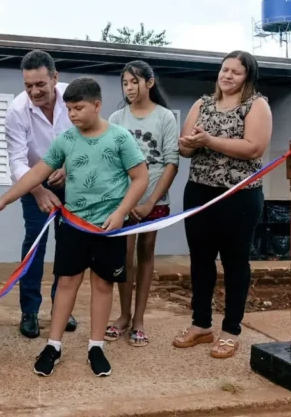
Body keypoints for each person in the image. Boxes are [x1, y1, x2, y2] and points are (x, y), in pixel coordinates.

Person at [0, 77, 148, 378]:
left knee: (102, 284)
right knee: (66, 282)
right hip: (73, 224)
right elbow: (36, 174)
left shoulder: (121, 138)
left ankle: (96, 346)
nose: (72, 115)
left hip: (108, 227)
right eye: (68, 109)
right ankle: (53, 345)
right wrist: (3, 200)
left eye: (79, 108)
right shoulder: (66, 140)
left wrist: (122, 212)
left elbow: (140, 178)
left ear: (97, 105)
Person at [174, 50, 271, 359]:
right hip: (199, 193)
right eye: (224, 69)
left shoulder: (257, 105)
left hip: (238, 197)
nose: (227, 75)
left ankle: (231, 330)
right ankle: (201, 324)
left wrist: (208, 141)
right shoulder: (201, 104)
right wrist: (187, 144)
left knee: (234, 263)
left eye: (236, 72)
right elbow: (185, 146)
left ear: (248, 77)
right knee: (200, 260)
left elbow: (254, 148)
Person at [105, 61, 180, 347]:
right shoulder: (115, 118)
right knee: (124, 257)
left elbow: (171, 162)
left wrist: (151, 200)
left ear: (149, 83)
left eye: (134, 82)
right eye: (124, 83)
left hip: (154, 201)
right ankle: (122, 316)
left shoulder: (165, 118)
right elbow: (111, 163)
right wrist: (124, 203)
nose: (129, 88)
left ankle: (139, 319)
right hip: (124, 204)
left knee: (146, 254)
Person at [5, 50, 77, 338]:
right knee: (35, 246)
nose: (34, 91)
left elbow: (89, 138)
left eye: (40, 85)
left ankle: (62, 307)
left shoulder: (74, 97)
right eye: (28, 86)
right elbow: (16, 160)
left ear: (55, 78)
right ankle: (29, 311)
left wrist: (70, 171)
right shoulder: (16, 110)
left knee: (69, 246)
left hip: (73, 181)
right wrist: (37, 190)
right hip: (33, 182)